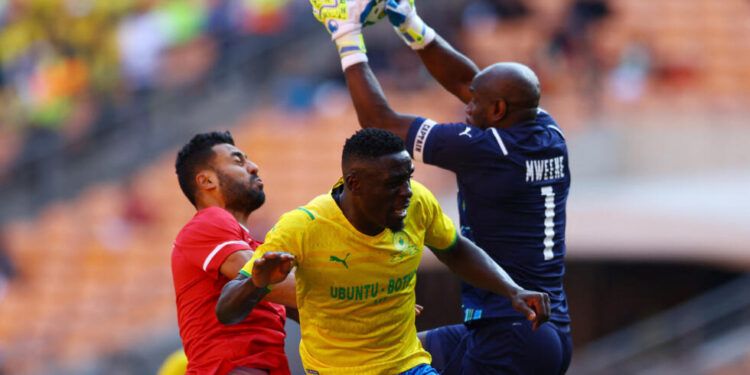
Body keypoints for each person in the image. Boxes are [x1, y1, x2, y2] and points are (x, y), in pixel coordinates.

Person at [310, 0, 573, 373]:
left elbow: (377, 122)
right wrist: (411, 24)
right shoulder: (547, 131)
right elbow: (472, 84)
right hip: (538, 324)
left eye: (475, 105)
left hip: (511, 330)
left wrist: (347, 36)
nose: (466, 106)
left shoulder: (488, 150)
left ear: (497, 111)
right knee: (385, 359)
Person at [216, 128, 551, 375]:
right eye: (393, 183)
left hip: (407, 364)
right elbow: (226, 311)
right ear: (355, 184)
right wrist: (256, 283)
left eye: (408, 177)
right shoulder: (303, 227)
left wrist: (512, 289)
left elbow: (454, 249)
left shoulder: (417, 203)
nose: (406, 192)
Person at [172, 131, 297, 375]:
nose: (254, 167)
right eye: (239, 161)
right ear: (207, 181)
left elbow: (305, 304)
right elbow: (289, 289)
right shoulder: (209, 220)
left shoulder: (253, 245)